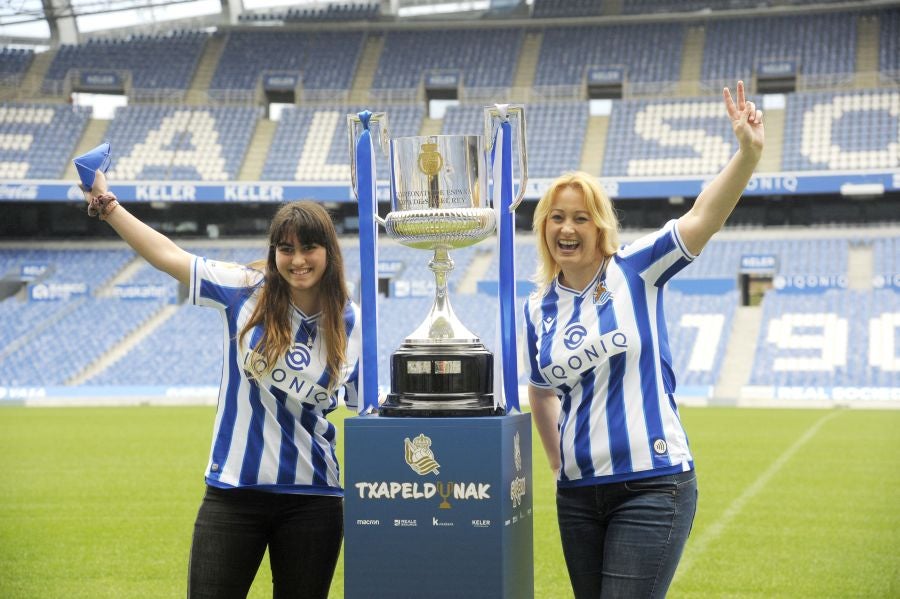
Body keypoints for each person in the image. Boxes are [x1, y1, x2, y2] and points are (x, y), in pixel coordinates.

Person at [523, 80, 764, 598]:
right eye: (557, 218)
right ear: (543, 227)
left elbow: (704, 216)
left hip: (653, 484)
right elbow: (541, 390)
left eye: (581, 217)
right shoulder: (535, 307)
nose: (567, 228)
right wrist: (555, 461)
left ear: (600, 225)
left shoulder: (637, 270)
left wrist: (747, 153)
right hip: (578, 494)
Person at [81, 172, 361, 599]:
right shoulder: (244, 290)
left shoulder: (353, 322)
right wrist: (110, 207)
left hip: (314, 499)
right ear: (274, 253)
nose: (297, 259)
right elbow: (167, 255)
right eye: (286, 249)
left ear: (329, 252)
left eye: (309, 247)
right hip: (233, 493)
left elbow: (367, 410)